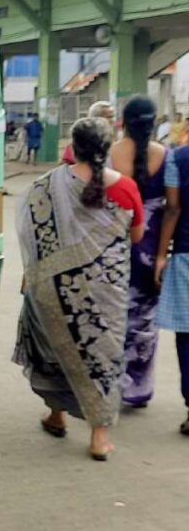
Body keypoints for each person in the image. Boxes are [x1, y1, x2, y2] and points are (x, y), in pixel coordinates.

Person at [13, 116, 144, 461]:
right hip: (106, 291)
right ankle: (99, 438)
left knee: (55, 349)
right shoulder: (126, 188)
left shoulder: (47, 184)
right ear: (106, 146)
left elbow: (31, 235)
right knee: (101, 356)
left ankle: (56, 415)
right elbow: (135, 236)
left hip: (54, 289)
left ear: (73, 145)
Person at [109, 95, 180, 408]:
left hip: (113, 245)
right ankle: (137, 390)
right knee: (144, 320)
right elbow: (171, 209)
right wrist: (162, 254)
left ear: (123, 122)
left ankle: (109, 385)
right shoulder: (167, 155)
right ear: (153, 124)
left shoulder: (110, 154)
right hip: (151, 247)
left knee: (111, 316)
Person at [156, 142, 189, 435]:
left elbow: (173, 209)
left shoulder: (177, 158)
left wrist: (160, 255)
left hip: (185, 256)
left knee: (187, 334)